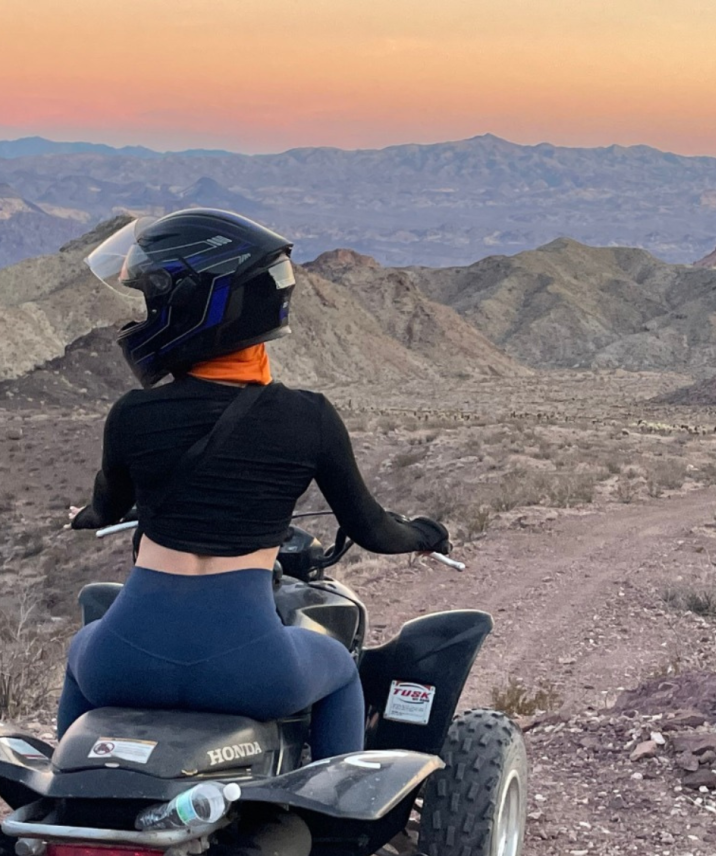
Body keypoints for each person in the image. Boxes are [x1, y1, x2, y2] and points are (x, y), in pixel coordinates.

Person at [60, 209, 451, 760]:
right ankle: (334, 827)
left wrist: (84, 517)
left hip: (125, 662)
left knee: (82, 647)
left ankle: (68, 794)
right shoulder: (308, 418)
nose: (147, 315)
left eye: (154, 301)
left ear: (192, 312)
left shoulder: (132, 415)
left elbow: (106, 506)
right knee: (339, 667)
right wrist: (425, 534)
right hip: (247, 668)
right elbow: (373, 530)